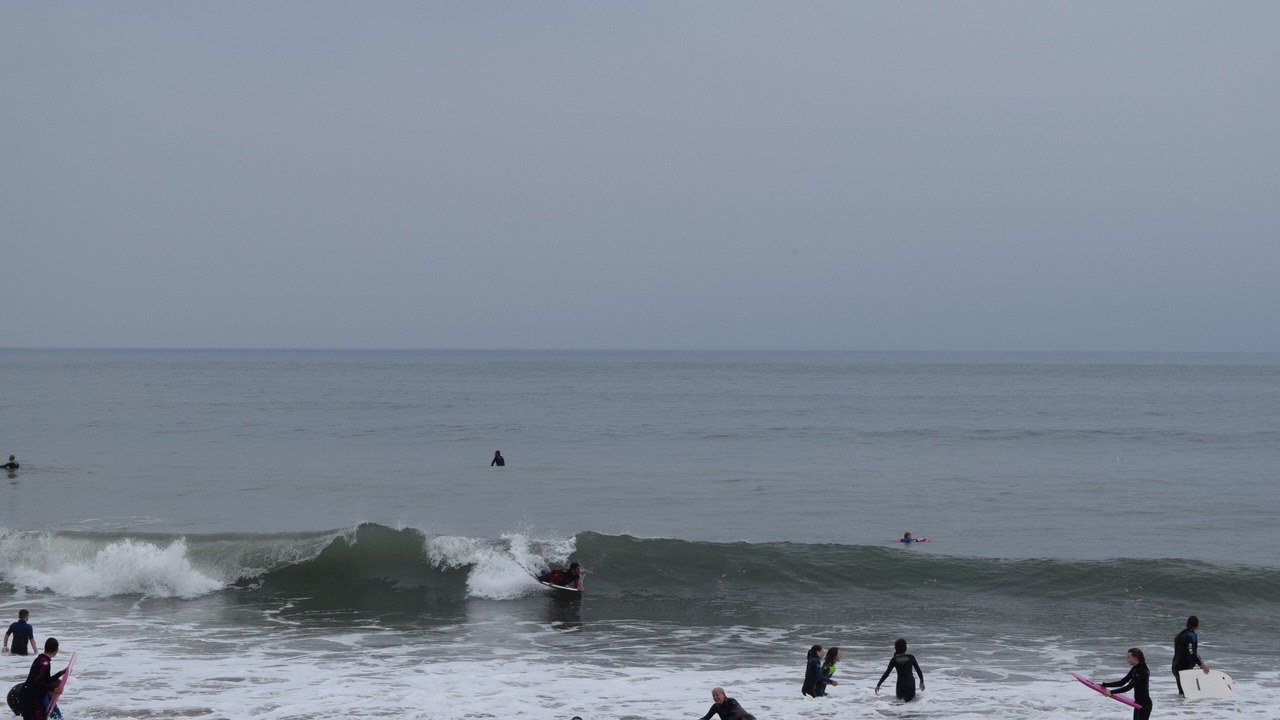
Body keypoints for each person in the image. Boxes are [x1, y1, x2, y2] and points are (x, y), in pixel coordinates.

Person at [18, 638, 63, 720]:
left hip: (26, 694)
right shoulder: (45, 663)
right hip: (31, 697)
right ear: (56, 650)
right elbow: (38, 682)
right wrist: (53, 689)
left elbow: (46, 680)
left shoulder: (40, 659)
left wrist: (60, 673)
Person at [1102, 647, 1152, 720]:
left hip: (1144, 705)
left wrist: (1111, 692)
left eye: (1129, 657)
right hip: (1138, 703)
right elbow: (1122, 682)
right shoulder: (1135, 668)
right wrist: (1104, 685)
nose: (1127, 659)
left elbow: (1129, 687)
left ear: (1136, 657)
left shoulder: (1141, 670)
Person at [1172, 615, 1209, 695]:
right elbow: (1192, 652)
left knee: (1182, 693)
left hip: (1175, 666)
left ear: (1187, 624)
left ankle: (1179, 703)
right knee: (1187, 694)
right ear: (1197, 626)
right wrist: (1202, 664)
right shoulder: (1191, 635)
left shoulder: (1179, 635)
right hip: (1184, 668)